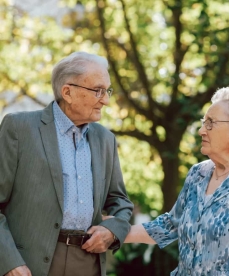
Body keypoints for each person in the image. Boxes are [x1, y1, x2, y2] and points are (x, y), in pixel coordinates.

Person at [121, 87, 229, 275]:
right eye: (203, 123)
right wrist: (115, 231)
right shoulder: (198, 173)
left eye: (210, 123)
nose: (201, 131)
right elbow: (170, 226)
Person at [0, 51, 133, 276]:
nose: (106, 100)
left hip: (88, 262)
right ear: (68, 92)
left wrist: (112, 231)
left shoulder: (105, 139)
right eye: (98, 90)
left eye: (107, 90)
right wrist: (9, 262)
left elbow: (120, 201)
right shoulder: (19, 128)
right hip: (29, 264)